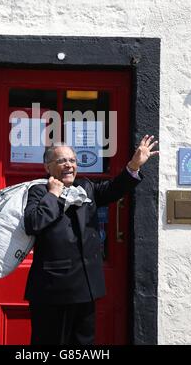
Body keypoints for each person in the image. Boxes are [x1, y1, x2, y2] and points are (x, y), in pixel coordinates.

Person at [24, 135, 159, 345]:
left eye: (72, 160)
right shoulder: (39, 191)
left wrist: (134, 165)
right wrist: (53, 195)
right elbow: (34, 223)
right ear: (47, 167)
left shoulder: (85, 187)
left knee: (83, 344)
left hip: (86, 286)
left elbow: (114, 188)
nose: (69, 165)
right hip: (52, 290)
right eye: (61, 161)